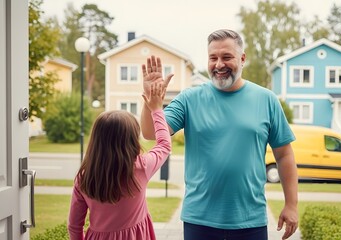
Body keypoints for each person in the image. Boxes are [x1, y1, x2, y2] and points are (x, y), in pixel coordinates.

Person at [141, 29, 298, 240]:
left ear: (242, 59)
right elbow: (150, 132)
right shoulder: (189, 99)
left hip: (250, 220)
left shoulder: (267, 100)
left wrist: (291, 204)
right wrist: (151, 103)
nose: (219, 64)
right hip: (199, 220)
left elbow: (284, 155)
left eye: (227, 57)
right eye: (213, 58)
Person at [68, 82, 171, 240]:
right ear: (131, 141)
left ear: (96, 141)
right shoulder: (141, 167)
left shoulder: (83, 178)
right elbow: (164, 144)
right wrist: (156, 109)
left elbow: (75, 226)